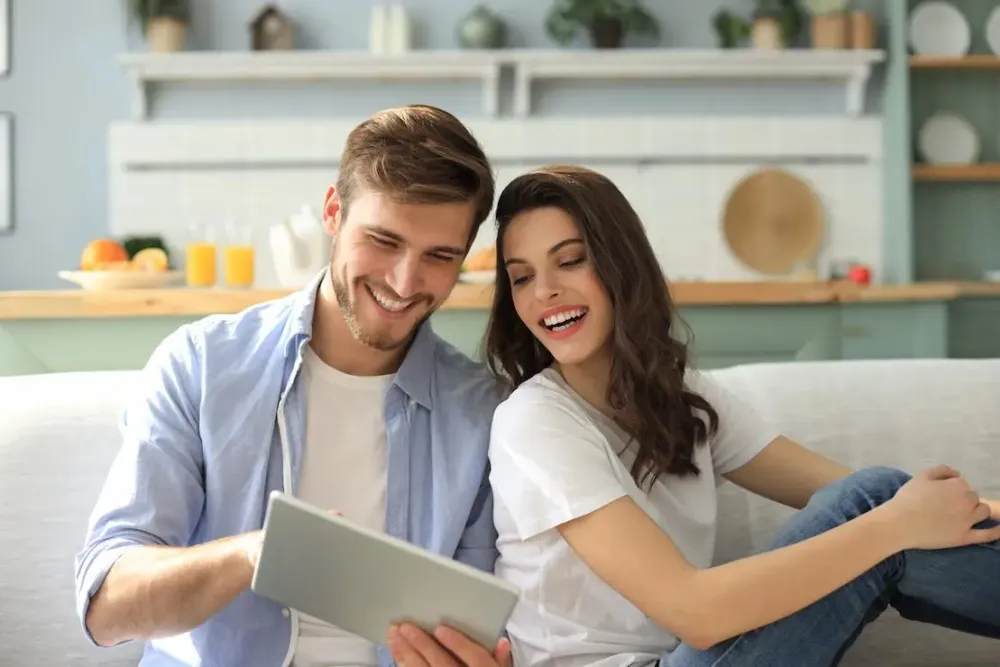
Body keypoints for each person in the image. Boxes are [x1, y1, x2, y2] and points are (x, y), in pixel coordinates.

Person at [476, 164, 1000, 667]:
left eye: (569, 261)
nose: (543, 291)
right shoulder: (535, 422)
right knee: (878, 516)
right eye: (521, 278)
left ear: (621, 265)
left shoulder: (679, 397)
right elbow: (696, 613)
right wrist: (893, 526)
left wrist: (964, 510)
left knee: (877, 501)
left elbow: (872, 495)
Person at [73, 104, 512, 667]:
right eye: (383, 241)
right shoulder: (203, 365)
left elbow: (484, 627)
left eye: (439, 256)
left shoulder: (483, 412)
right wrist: (254, 553)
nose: (405, 282)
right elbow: (106, 607)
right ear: (334, 211)